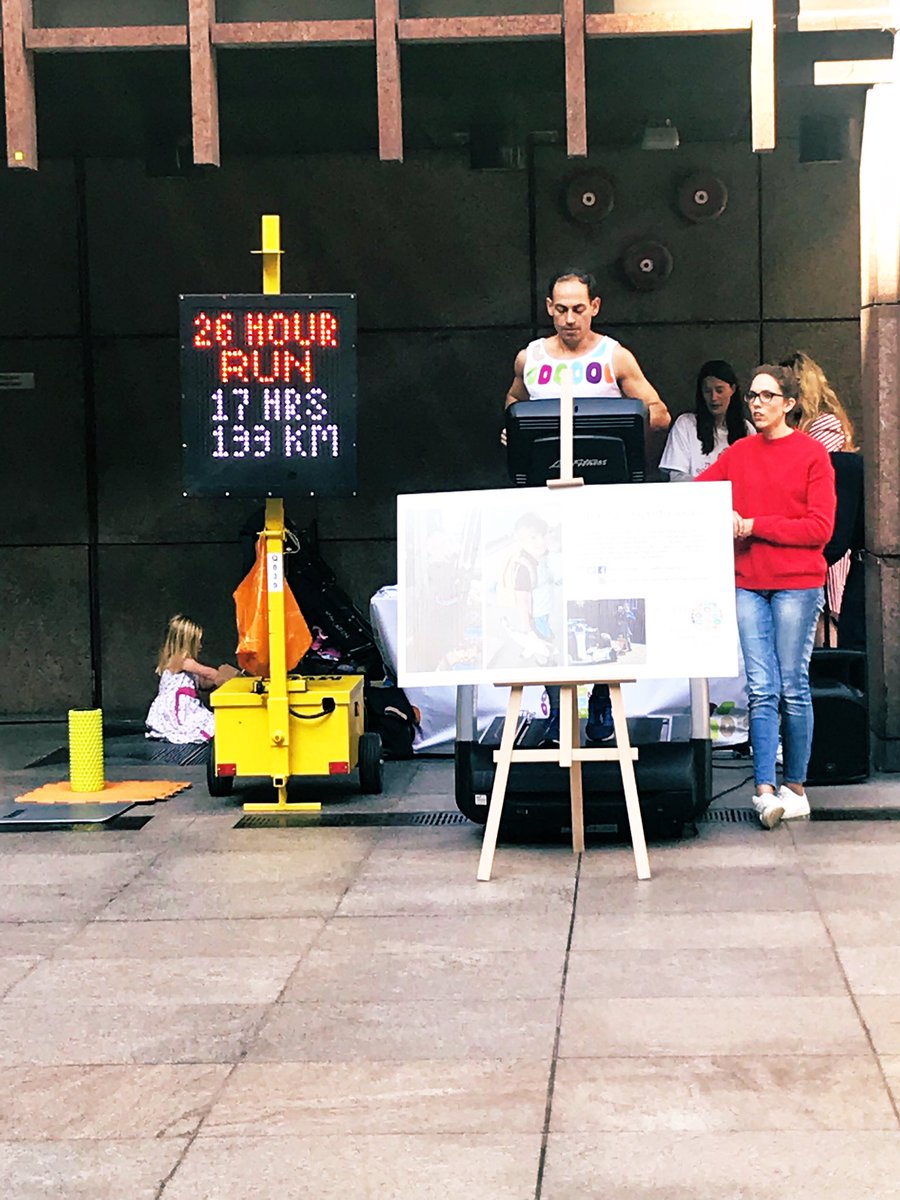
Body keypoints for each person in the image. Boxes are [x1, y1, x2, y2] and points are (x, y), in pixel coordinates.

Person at [505, 269, 670, 744]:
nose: (570, 319)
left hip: (603, 506)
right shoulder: (530, 358)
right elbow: (514, 403)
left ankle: (599, 699)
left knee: (600, 603)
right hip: (547, 509)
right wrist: (511, 432)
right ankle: (558, 706)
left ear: (594, 307)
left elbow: (658, 411)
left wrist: (626, 428)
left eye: (579, 309)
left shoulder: (613, 355)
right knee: (548, 603)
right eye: (561, 309)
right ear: (549, 308)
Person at [696, 365, 836, 829]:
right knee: (762, 686)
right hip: (749, 581)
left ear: (788, 404)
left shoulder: (813, 455)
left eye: (765, 396)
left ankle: (795, 786)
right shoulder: (738, 453)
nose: (755, 403)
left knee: (793, 684)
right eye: (752, 396)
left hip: (797, 581)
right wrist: (723, 509)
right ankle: (763, 789)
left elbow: (820, 529)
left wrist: (755, 525)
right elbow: (698, 495)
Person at [780, 351, 857, 640]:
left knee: (825, 621)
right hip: (799, 536)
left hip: (825, 536)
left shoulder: (826, 426)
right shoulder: (798, 429)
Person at [145, 614, 238, 744]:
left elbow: (202, 683)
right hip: (180, 711)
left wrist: (211, 683)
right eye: (197, 641)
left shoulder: (184, 665)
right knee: (211, 724)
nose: (200, 645)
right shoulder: (184, 662)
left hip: (184, 706)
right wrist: (227, 678)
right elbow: (208, 673)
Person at [659, 359, 754, 481]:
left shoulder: (747, 429)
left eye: (719, 390)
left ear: (733, 389)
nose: (714, 398)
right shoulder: (685, 424)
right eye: (708, 391)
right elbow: (677, 478)